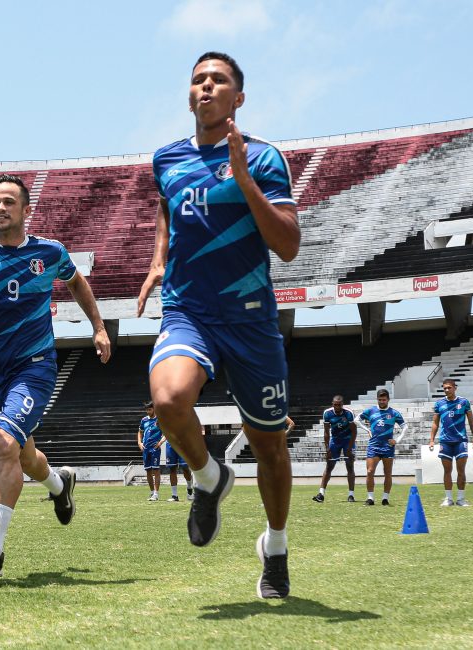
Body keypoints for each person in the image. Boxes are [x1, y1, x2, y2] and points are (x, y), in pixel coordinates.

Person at [136, 52, 300, 599]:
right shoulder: (167, 158)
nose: (206, 87)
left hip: (251, 320)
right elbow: (166, 205)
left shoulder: (265, 157)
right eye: (198, 80)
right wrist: (158, 256)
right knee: (168, 400)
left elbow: (289, 245)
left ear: (238, 97)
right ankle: (209, 478)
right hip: (190, 311)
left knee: (270, 448)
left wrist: (245, 178)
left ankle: (274, 549)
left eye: (218, 80)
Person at [0, 173, 112, 577]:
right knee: (24, 454)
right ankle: (58, 485)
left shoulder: (49, 253)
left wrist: (98, 328)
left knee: (3, 444)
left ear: (26, 210)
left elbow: (77, 282)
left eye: (8, 202)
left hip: (34, 366)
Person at [428, 379, 473, 507]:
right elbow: (435, 423)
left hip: (460, 441)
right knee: (447, 471)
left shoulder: (464, 402)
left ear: (455, 388)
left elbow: (471, 421)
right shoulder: (439, 403)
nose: (446, 390)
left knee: (461, 470)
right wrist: (432, 440)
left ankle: (461, 499)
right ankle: (448, 499)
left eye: (449, 388)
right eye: (444, 388)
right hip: (445, 441)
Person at [359, 389, 406, 506]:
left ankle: (385, 498)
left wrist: (397, 440)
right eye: (380, 399)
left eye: (384, 399)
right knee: (370, 471)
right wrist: (367, 430)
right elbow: (356, 420)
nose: (382, 401)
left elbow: (405, 427)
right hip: (373, 446)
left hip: (388, 447)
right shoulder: (371, 411)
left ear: (388, 400)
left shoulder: (394, 413)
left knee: (388, 473)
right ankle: (370, 498)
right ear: (377, 399)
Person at [313, 396, 357, 503]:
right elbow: (326, 432)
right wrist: (327, 449)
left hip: (347, 440)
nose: (337, 407)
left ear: (342, 404)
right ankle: (321, 494)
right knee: (329, 466)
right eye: (335, 404)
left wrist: (350, 448)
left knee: (350, 466)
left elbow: (354, 432)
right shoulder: (327, 413)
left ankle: (351, 495)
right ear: (332, 404)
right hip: (335, 441)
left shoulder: (349, 413)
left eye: (339, 405)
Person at [137, 401, 164, 501]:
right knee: (148, 470)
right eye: (147, 410)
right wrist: (139, 443)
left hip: (155, 448)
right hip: (146, 449)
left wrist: (160, 443)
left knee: (156, 470)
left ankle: (156, 494)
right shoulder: (144, 420)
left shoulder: (159, 420)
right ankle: (152, 492)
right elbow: (140, 432)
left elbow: (166, 432)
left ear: (154, 409)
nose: (148, 411)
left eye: (150, 409)